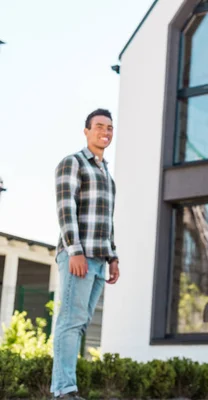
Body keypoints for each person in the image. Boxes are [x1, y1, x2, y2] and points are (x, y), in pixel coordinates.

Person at [51, 109, 120, 399]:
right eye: (99, 127)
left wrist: (113, 257)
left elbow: (108, 221)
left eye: (109, 128)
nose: (105, 132)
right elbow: (65, 209)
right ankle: (64, 389)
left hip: (99, 259)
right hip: (77, 256)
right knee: (69, 321)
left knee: (80, 323)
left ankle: (68, 385)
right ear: (86, 131)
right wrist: (74, 251)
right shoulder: (73, 163)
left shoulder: (106, 175)